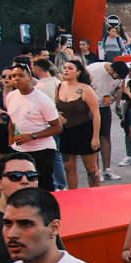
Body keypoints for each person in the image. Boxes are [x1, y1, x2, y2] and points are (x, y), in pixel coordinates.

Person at [3, 60, 64, 191]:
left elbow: (57, 127)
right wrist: (11, 144)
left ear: (30, 79)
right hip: (19, 150)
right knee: (19, 186)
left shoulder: (42, 99)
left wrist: (32, 136)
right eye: (13, 76)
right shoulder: (11, 96)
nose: (16, 79)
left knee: (44, 186)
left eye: (21, 75)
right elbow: (12, 120)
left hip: (42, 150)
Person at [54, 57, 102, 188]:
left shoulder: (85, 89)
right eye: (65, 68)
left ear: (78, 72)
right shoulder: (59, 86)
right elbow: (54, 105)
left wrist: (95, 137)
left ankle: (95, 194)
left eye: (70, 68)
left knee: (91, 168)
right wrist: (57, 114)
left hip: (84, 131)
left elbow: (96, 114)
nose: (66, 70)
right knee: (68, 167)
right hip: (66, 132)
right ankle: (73, 194)